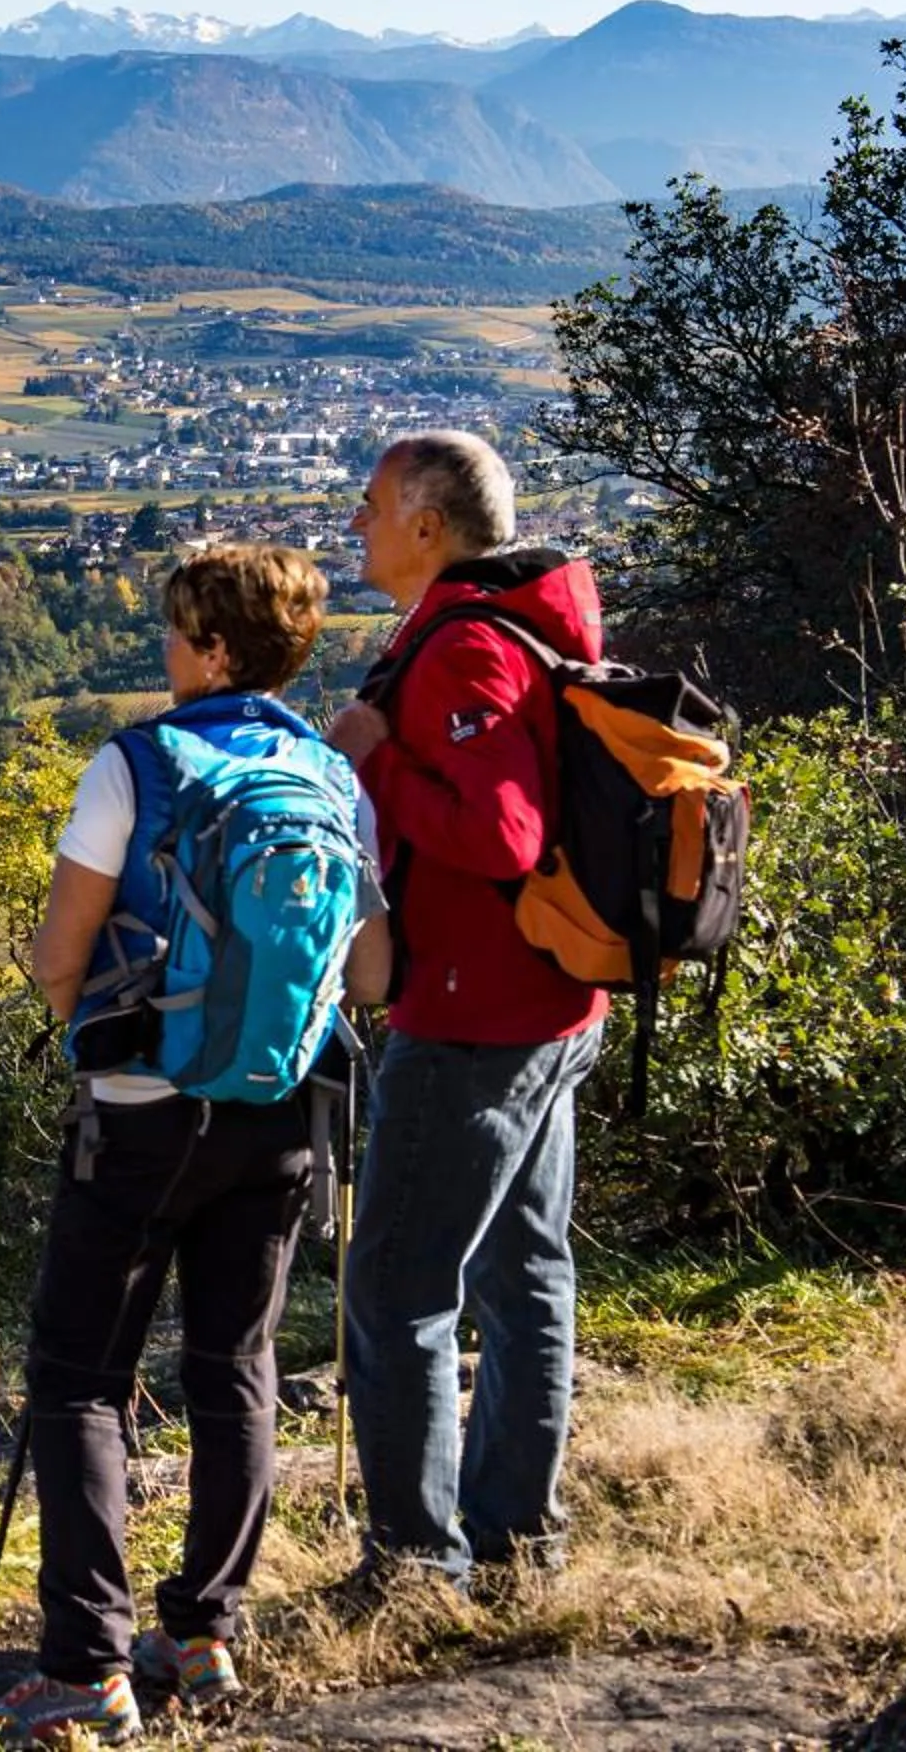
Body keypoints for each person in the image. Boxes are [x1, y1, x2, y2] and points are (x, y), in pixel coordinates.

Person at [0, 545, 387, 1745]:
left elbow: (58, 956)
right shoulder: (327, 775)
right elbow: (374, 969)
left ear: (209, 647)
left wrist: (96, 1031)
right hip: (280, 1114)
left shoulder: (133, 765)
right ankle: (203, 1632)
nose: (164, 646)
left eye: (175, 629)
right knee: (234, 1366)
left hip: (145, 1114)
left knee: (81, 1375)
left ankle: (85, 1665)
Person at [321, 430, 607, 1593]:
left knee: (397, 1288)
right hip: (550, 1001)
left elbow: (502, 835)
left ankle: (414, 1566)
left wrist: (373, 763)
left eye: (375, 506)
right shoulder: (517, 623)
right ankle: (513, 1537)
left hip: (475, 1016)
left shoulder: (464, 649)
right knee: (525, 1271)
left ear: (429, 525)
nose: (358, 526)